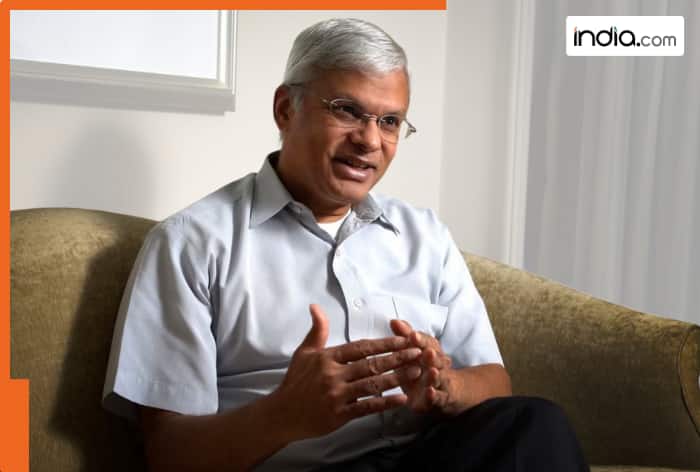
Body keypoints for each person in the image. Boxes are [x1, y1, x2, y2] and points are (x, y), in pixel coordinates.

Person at [103, 18, 588, 471]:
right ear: (285, 109)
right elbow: (168, 453)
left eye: (390, 121)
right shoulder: (191, 244)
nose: (369, 140)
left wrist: (446, 386)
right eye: (348, 111)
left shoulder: (423, 235)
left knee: (536, 422)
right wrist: (283, 415)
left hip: (421, 457)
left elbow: (494, 382)